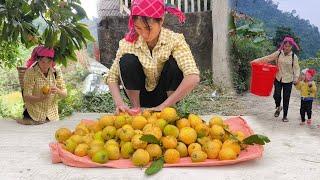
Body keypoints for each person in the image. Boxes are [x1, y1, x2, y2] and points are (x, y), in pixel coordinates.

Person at [106, 0, 200, 114]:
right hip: (140, 95)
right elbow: (112, 77)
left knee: (174, 64)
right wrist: (120, 104)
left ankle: (170, 109)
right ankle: (136, 108)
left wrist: (163, 106)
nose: (144, 34)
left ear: (161, 21)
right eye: (138, 28)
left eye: (148, 28)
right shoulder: (129, 43)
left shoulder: (175, 40)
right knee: (127, 60)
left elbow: (193, 76)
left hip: (165, 96)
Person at [251, 36, 300, 122]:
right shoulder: (278, 53)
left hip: (288, 80)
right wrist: (256, 61)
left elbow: (297, 68)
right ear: (283, 46)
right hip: (278, 77)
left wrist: (296, 78)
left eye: (289, 46)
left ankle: (285, 116)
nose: (287, 48)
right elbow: (268, 58)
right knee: (276, 95)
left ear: (291, 47)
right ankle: (278, 107)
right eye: (286, 46)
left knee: (286, 98)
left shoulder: (293, 57)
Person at [16, 45, 67, 125]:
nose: (45, 65)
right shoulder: (31, 72)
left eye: (49, 62)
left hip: (52, 116)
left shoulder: (56, 71)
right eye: (42, 61)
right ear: (37, 60)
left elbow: (64, 94)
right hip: (34, 114)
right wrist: (41, 98)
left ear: (52, 61)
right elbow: (26, 96)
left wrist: (57, 90)